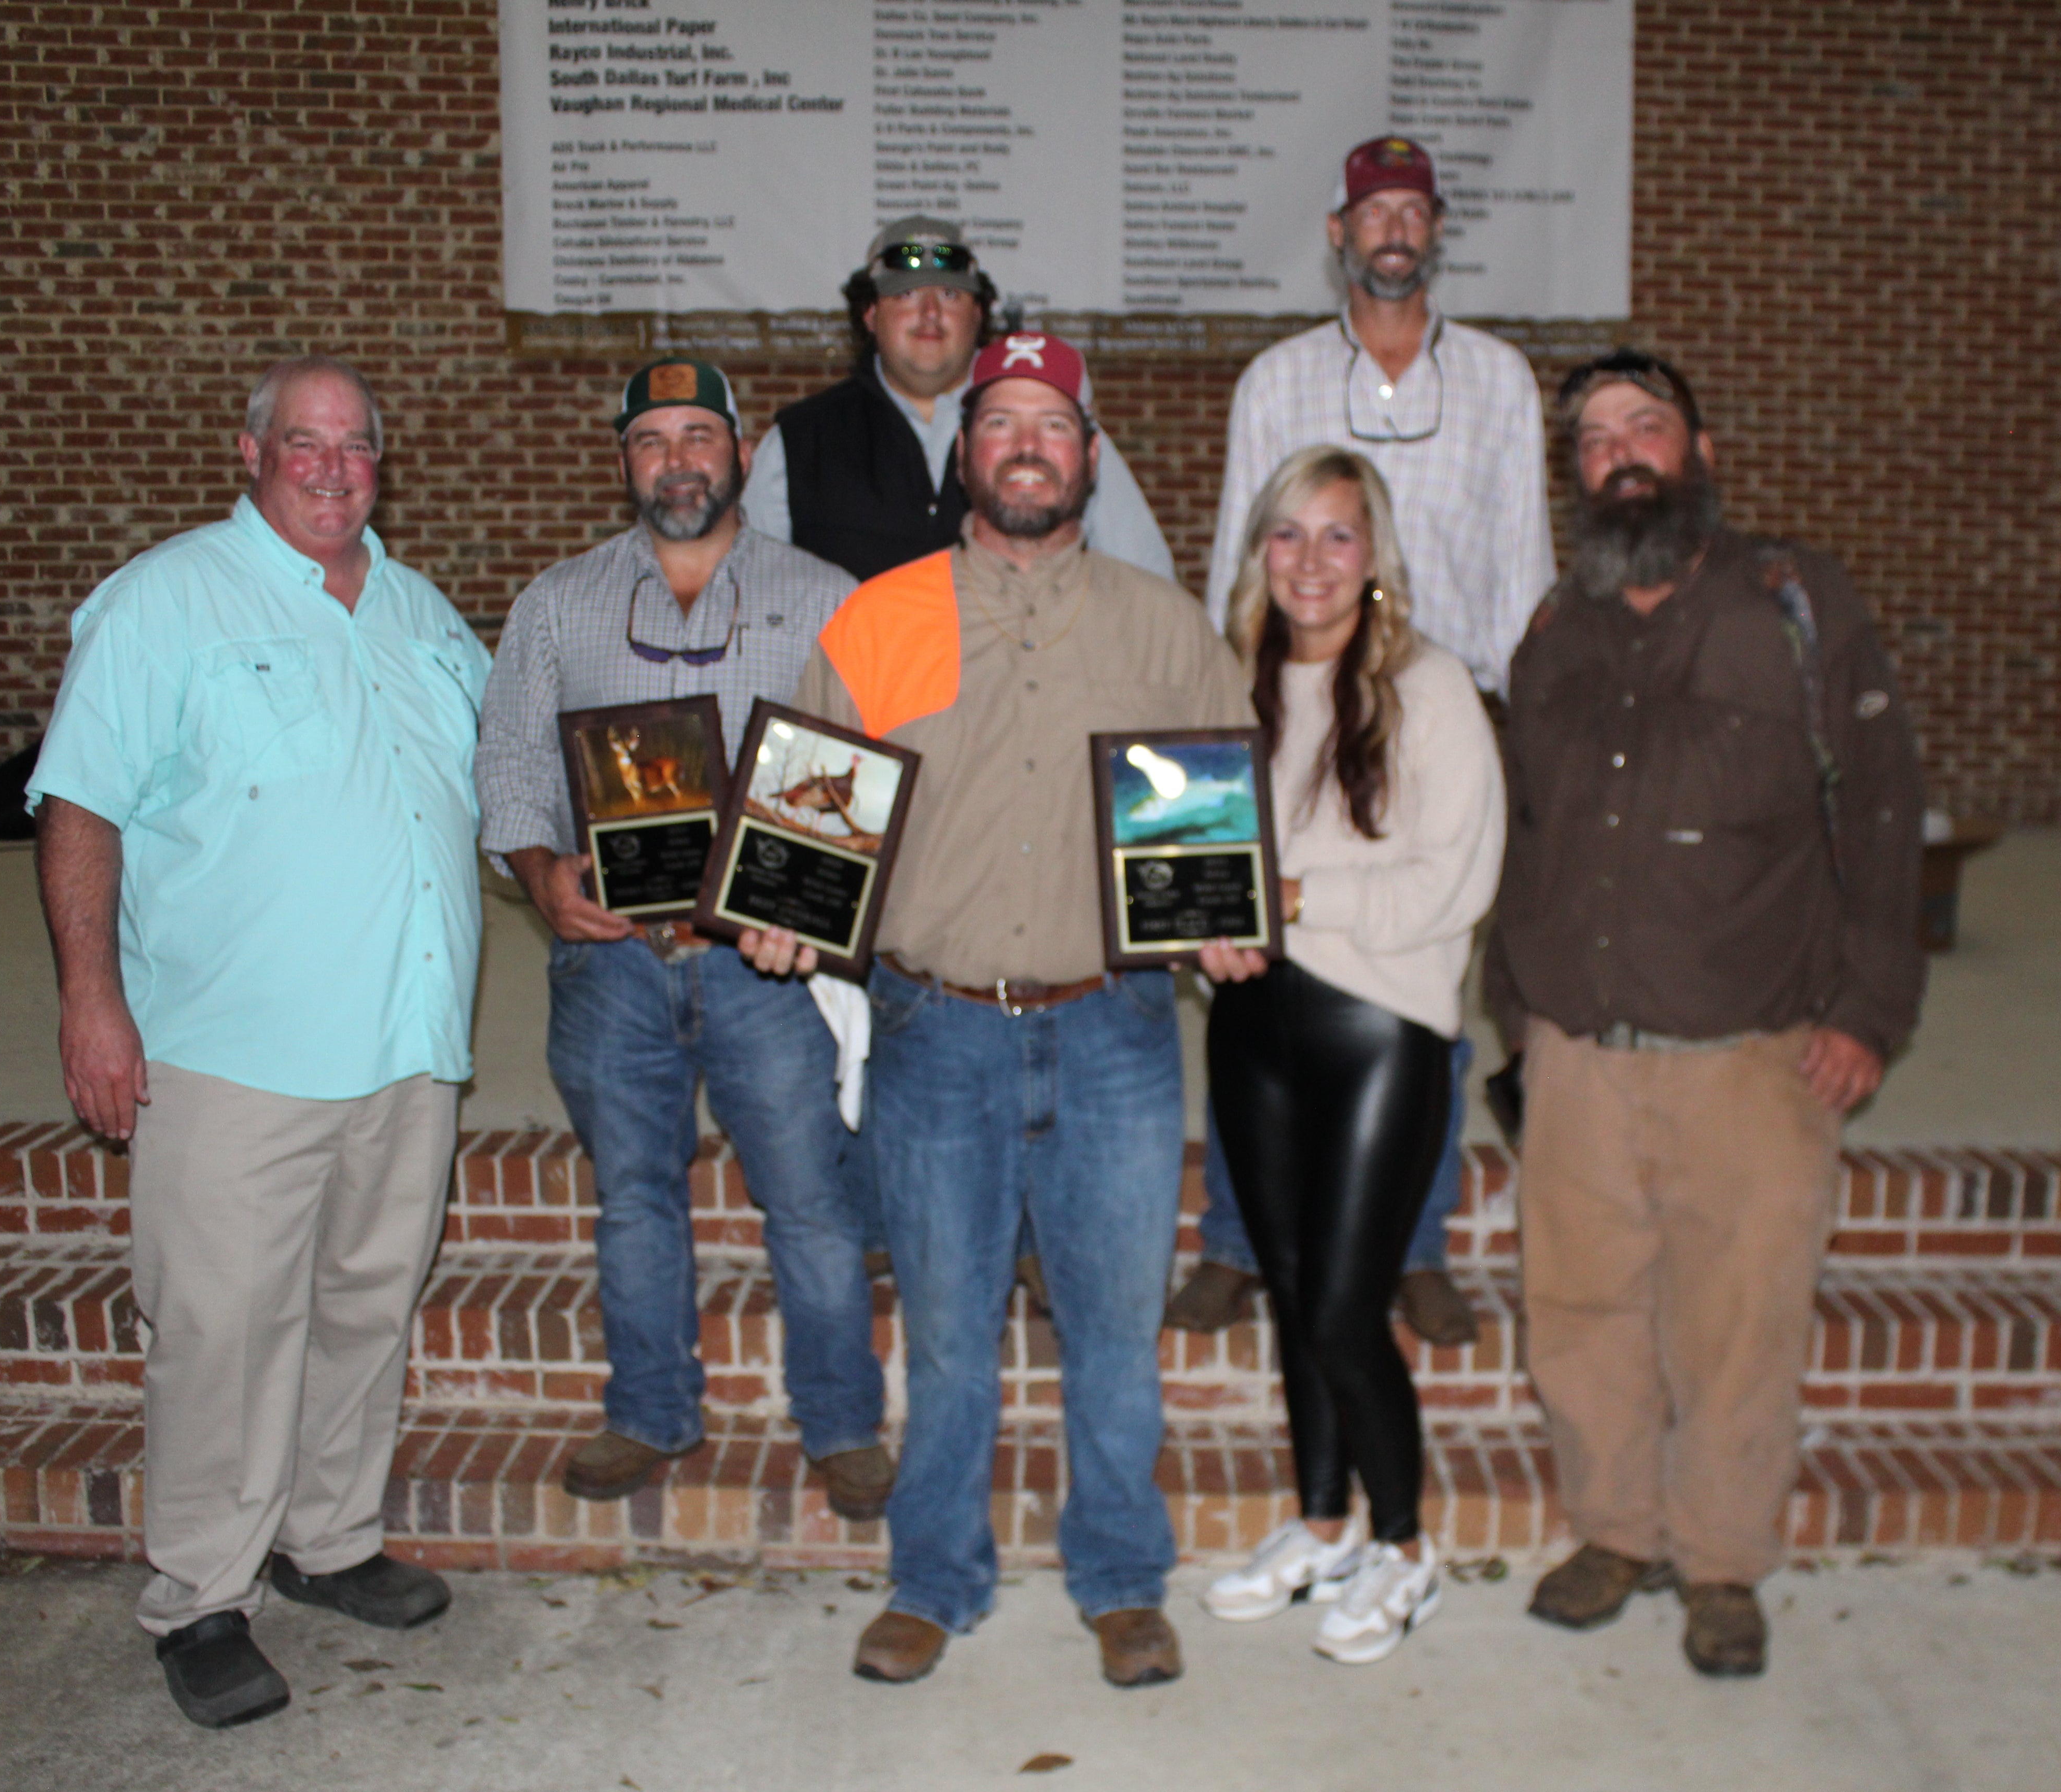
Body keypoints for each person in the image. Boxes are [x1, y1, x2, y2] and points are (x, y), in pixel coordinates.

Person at [747, 331, 1254, 1689]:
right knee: (953, 1340)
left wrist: (1222, 927)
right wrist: (785, 913)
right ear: (964, 454)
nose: (1027, 442)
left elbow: (1210, 832)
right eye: (1001, 422)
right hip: (939, 1035)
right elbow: (810, 827)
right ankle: (935, 1579)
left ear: (1088, 455)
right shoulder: (883, 618)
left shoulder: (1162, 629)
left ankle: (1122, 1579)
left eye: (1052, 422)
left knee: (1113, 1342)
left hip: (1117, 1038)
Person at [27, 355, 490, 1728]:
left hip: (406, 1048)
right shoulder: (163, 603)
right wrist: (89, 998)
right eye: (305, 442)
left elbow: (500, 794)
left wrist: (601, 870)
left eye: (356, 447)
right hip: (234, 1054)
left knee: (364, 1303)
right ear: (250, 451)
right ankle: (202, 1596)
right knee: (222, 1332)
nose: (332, 468)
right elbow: (81, 807)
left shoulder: (422, 615)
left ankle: (329, 1539)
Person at [1486, 348, 1926, 1677]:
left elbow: (1886, 806)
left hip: (1753, 1049)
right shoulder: (1553, 636)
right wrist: (1515, 1010)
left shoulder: (1791, 604)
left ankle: (1722, 1561)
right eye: (1596, 437)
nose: (1621, 451)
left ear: (1700, 451)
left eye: (1646, 426)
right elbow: (1525, 830)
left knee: (1738, 1324)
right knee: (1577, 1310)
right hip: (1575, 1049)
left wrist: (1868, 1006)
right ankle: (1616, 1531)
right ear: (1575, 477)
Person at [471, 359, 892, 1522]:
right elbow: (507, 761)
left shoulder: (825, 596)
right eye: (652, 439)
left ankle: (843, 1424)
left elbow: (861, 765)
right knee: (636, 1198)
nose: (677, 460)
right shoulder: (558, 603)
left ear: (741, 454)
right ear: (625, 461)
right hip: (611, 964)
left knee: (809, 1202)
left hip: (765, 970)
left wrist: (803, 915)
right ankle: (649, 1412)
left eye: (698, 435)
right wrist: (541, 872)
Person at [1171, 135, 1555, 1343]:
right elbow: (1244, 544)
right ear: (1337, 233)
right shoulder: (1275, 379)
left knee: (1420, 962)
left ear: (1435, 233)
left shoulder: (1496, 379)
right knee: (1254, 956)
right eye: (1371, 210)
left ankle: (1414, 1240)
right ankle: (1237, 1236)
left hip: (1432, 702)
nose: (1392, 228)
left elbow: (1522, 562)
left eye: (1412, 211)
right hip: (1283, 689)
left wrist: (1511, 717)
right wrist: (1216, 706)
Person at [1193, 447, 1505, 1664]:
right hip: (1253, 1029)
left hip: (1380, 1032)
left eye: (1335, 535)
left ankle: (1407, 1545)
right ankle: (1323, 1522)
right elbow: (1191, 867)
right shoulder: (1231, 687)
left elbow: (1454, 881)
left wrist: (1290, 894)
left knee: (1339, 1305)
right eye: (1286, 534)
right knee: (1286, 1289)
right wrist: (1200, 930)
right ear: (1257, 552)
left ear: (1371, 554)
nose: (1309, 561)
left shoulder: (1428, 689)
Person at [745, 214, 1179, 585]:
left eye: (950, 295)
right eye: (907, 294)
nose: (930, 313)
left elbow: (1146, 578)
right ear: (871, 314)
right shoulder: (800, 441)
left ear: (978, 314)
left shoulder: (1055, 428)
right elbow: (750, 593)